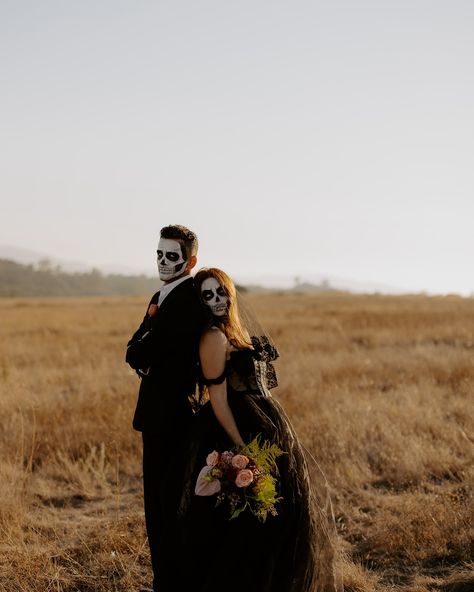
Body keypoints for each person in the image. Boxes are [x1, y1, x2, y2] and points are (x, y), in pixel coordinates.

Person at [177, 268, 341, 592]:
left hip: (265, 428)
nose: (216, 300)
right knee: (249, 523)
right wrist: (242, 448)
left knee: (276, 515)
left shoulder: (233, 331)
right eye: (207, 296)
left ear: (230, 292)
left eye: (220, 292)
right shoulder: (213, 337)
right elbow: (219, 400)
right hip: (238, 431)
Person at [125, 224, 207, 592]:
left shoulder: (188, 298)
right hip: (156, 413)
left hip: (173, 415)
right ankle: (166, 581)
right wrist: (143, 355)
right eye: (158, 254)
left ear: (190, 260)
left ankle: (173, 583)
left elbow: (148, 351)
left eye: (170, 256)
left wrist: (145, 356)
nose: (162, 261)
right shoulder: (162, 293)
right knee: (156, 505)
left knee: (169, 506)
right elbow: (133, 348)